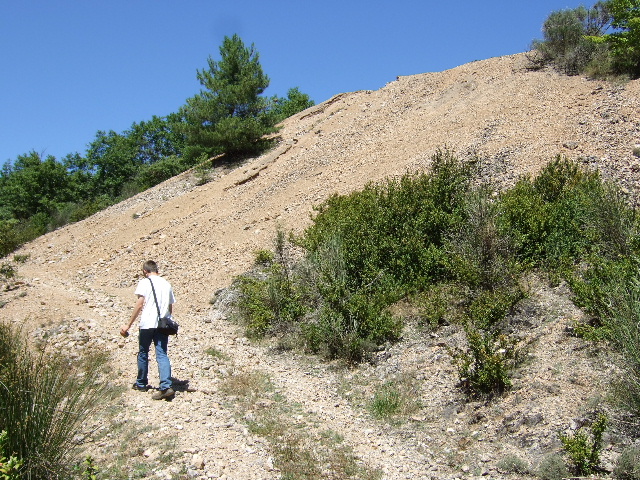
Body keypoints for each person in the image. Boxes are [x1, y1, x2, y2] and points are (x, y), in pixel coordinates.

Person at [120, 260, 176, 400]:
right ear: (156, 270)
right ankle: (166, 386)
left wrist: (128, 325)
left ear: (145, 271)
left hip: (147, 323)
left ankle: (141, 383)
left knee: (143, 352)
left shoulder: (144, 282)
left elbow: (140, 305)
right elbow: (170, 307)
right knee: (162, 354)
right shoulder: (166, 284)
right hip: (162, 325)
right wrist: (165, 320)